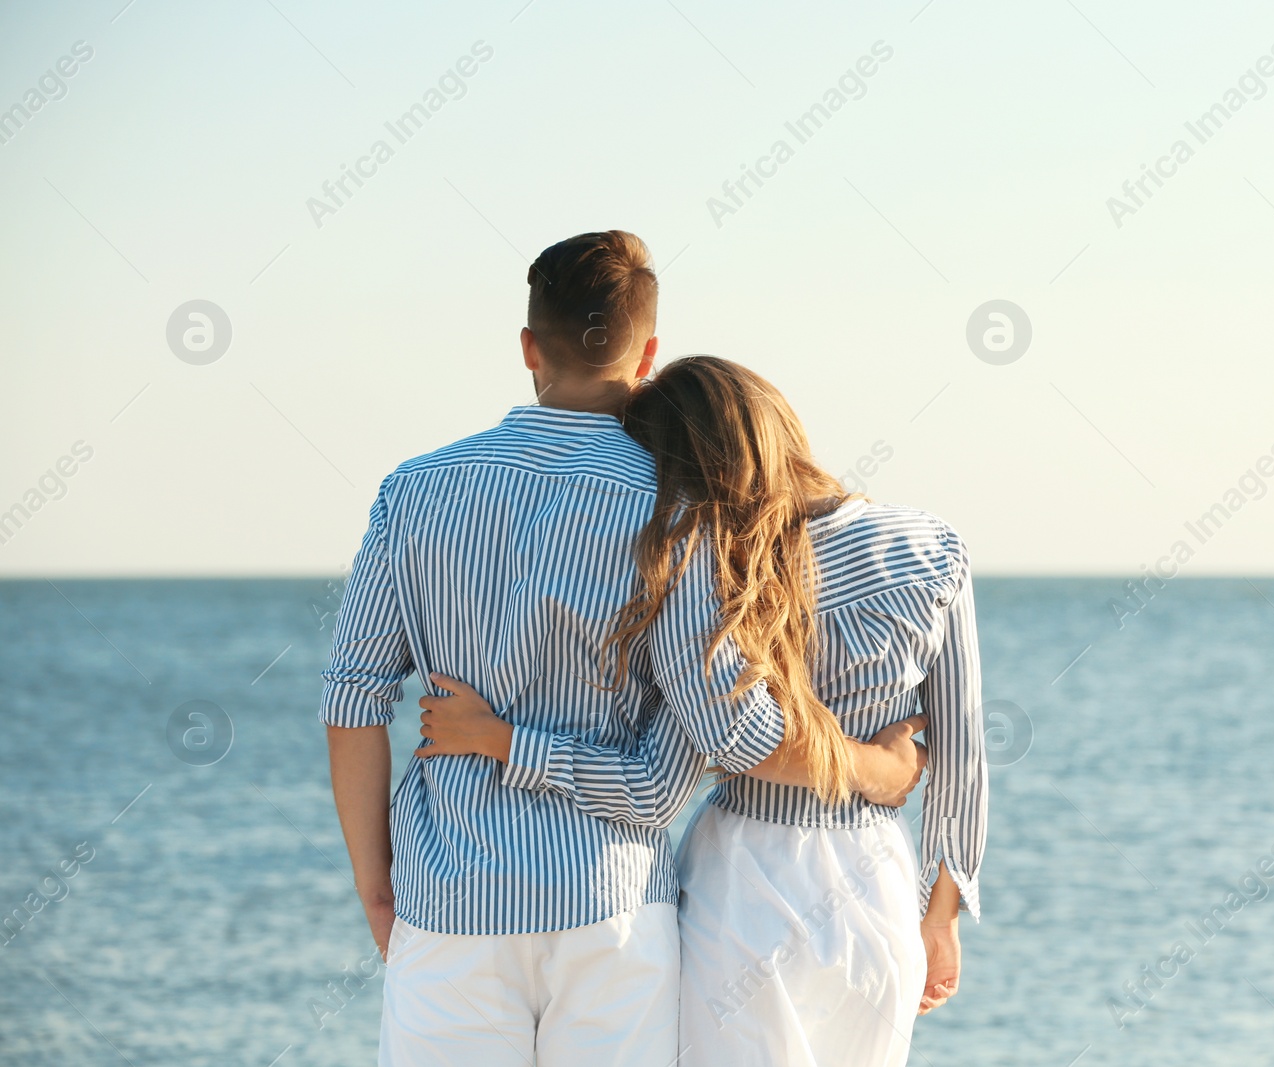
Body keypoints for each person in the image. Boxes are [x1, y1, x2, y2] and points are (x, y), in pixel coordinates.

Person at [320, 232, 924, 1067]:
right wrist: (878, 767)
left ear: (529, 346)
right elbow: (734, 737)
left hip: (447, 899)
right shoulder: (679, 511)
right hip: (609, 909)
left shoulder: (413, 491)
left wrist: (375, 882)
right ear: (647, 356)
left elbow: (352, 695)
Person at [420, 356, 988, 1066]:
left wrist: (505, 738)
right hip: (878, 883)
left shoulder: (722, 575)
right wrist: (942, 916)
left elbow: (677, 769)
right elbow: (963, 758)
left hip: (744, 882)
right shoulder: (933, 547)